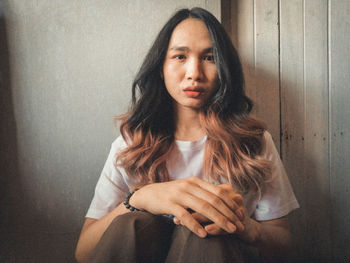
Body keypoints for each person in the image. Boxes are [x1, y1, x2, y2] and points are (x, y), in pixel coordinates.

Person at [75, 7, 299, 263]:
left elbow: (283, 243)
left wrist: (248, 228)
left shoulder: (253, 143)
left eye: (209, 57)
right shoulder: (129, 146)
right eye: (180, 57)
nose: (194, 73)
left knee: (207, 235)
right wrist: (140, 198)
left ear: (225, 68)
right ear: (161, 66)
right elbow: (84, 252)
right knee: (133, 223)